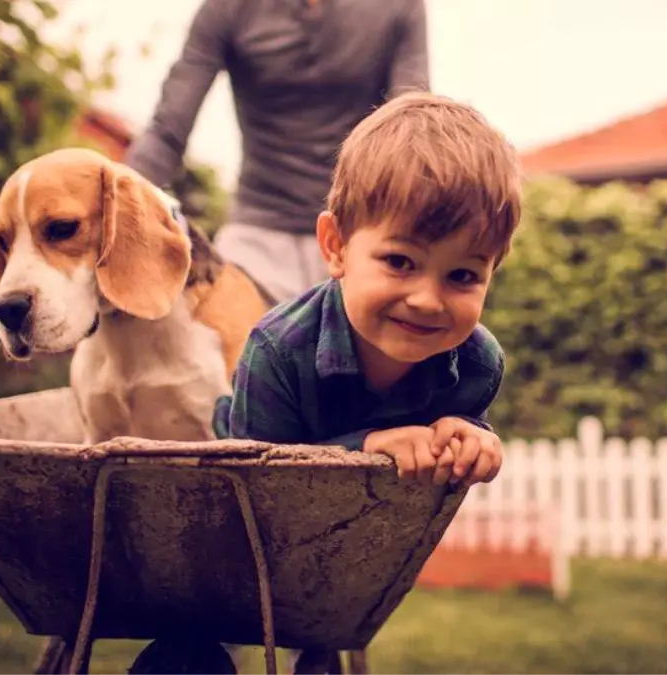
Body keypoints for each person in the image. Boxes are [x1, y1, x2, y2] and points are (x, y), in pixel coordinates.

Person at [213, 92, 522, 486]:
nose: (427, 301)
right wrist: (364, 448)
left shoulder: (478, 365)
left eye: (461, 276)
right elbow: (258, 489)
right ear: (336, 246)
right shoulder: (277, 352)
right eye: (399, 262)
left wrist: (471, 435)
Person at [125, 0, 430, 304]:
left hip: (358, 235)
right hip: (256, 239)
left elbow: (410, 129)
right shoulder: (226, 9)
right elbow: (167, 132)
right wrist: (121, 207)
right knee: (233, 338)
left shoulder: (399, 6)